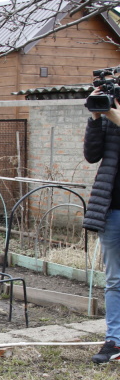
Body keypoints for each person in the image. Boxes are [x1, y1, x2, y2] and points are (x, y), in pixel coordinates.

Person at [83, 90, 120, 364]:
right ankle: (114, 341)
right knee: (115, 281)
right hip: (112, 210)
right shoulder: (108, 112)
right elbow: (92, 155)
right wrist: (96, 117)